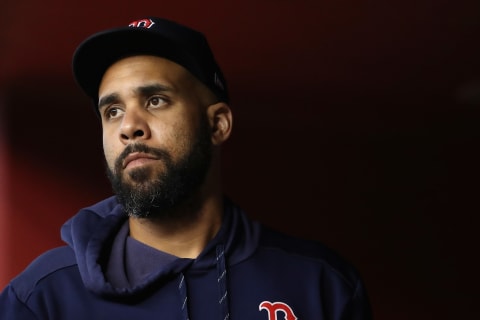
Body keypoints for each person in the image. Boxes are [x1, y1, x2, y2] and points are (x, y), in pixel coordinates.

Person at [0, 17, 373, 319]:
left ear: (217, 124)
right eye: (112, 111)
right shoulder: (41, 299)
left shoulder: (321, 283)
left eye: (156, 100)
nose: (129, 126)